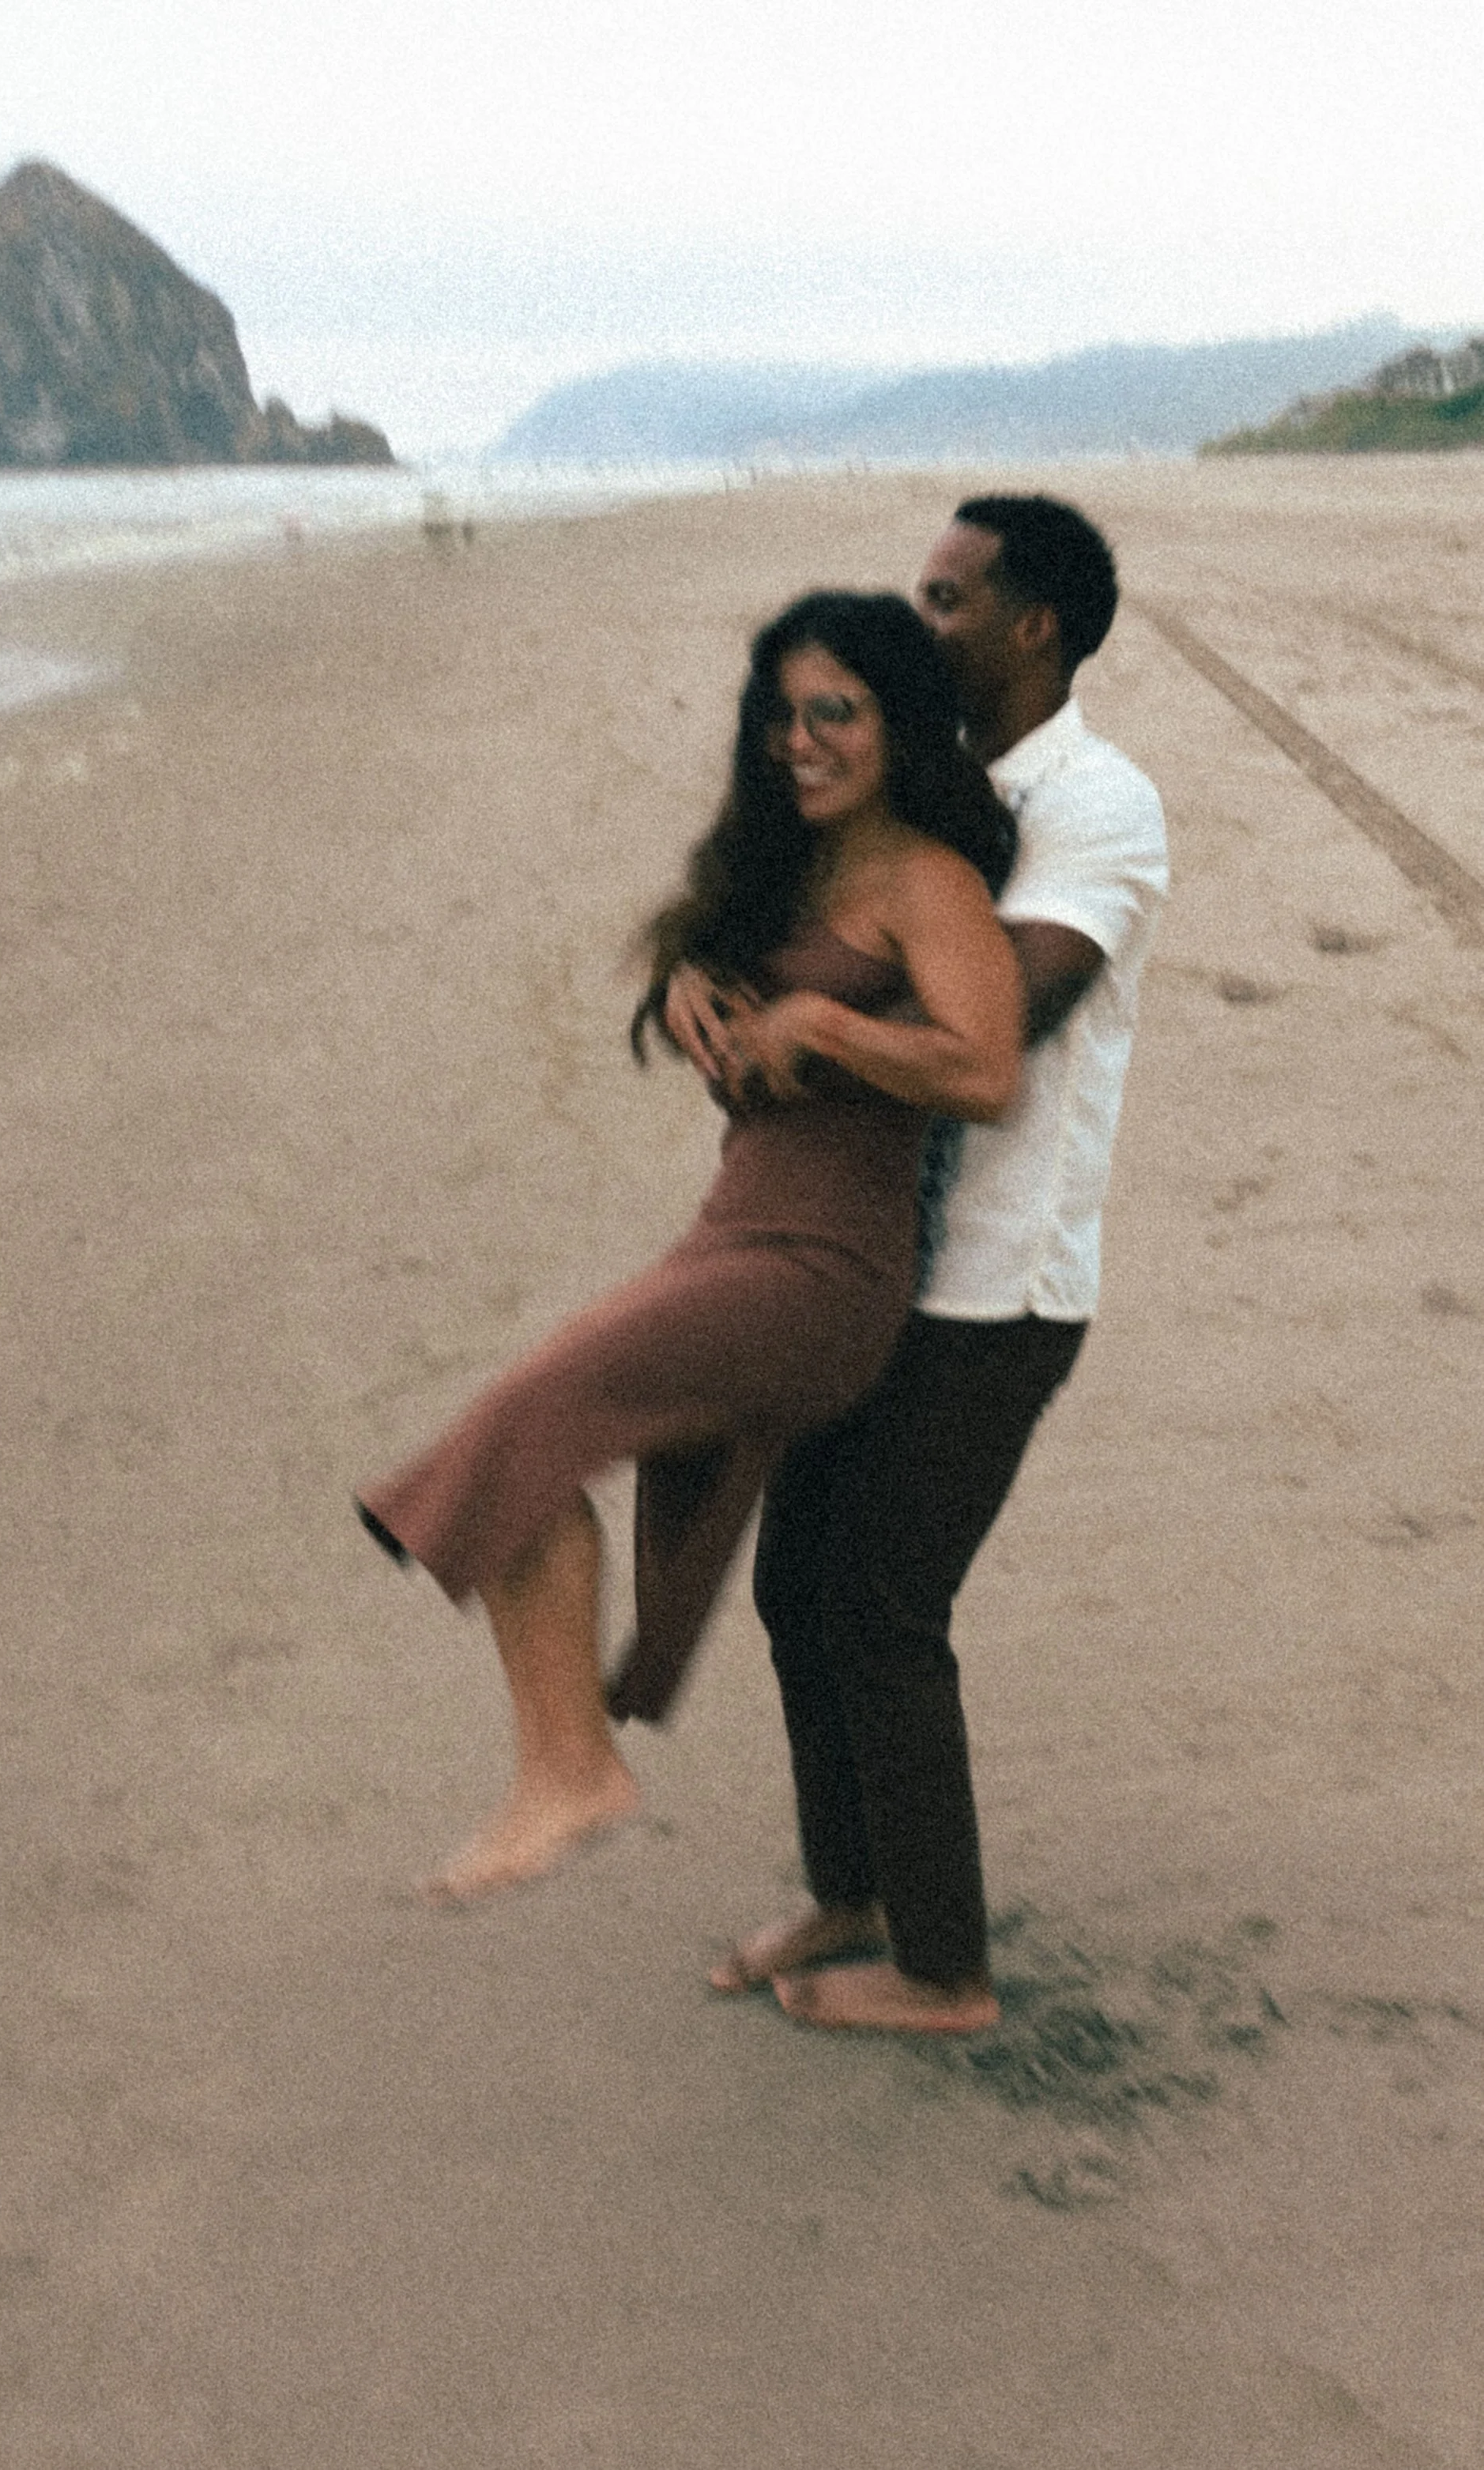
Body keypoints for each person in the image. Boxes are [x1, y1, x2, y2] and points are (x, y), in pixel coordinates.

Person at [359, 592, 1023, 1903]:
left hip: (825, 1272)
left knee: (528, 1416)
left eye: (835, 710)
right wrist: (690, 993)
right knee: (529, 1449)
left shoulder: (927, 882)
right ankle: (567, 1761)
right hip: (734, 1233)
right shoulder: (789, 874)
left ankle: (572, 1772)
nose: (802, 740)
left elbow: (988, 1070)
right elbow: (731, 1000)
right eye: (781, 715)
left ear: (897, 722)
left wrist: (830, 1033)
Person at [668, 496, 1167, 2034]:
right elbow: (784, 925)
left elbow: (986, 1031)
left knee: (883, 1603)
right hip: (859, 1257)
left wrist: (808, 1018)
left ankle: (943, 1971)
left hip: (993, 1291)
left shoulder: (1094, 807)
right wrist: (707, 977)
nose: (917, 616)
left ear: (1031, 625)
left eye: (945, 598)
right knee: (794, 1584)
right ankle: (853, 1888)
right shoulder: (912, 786)